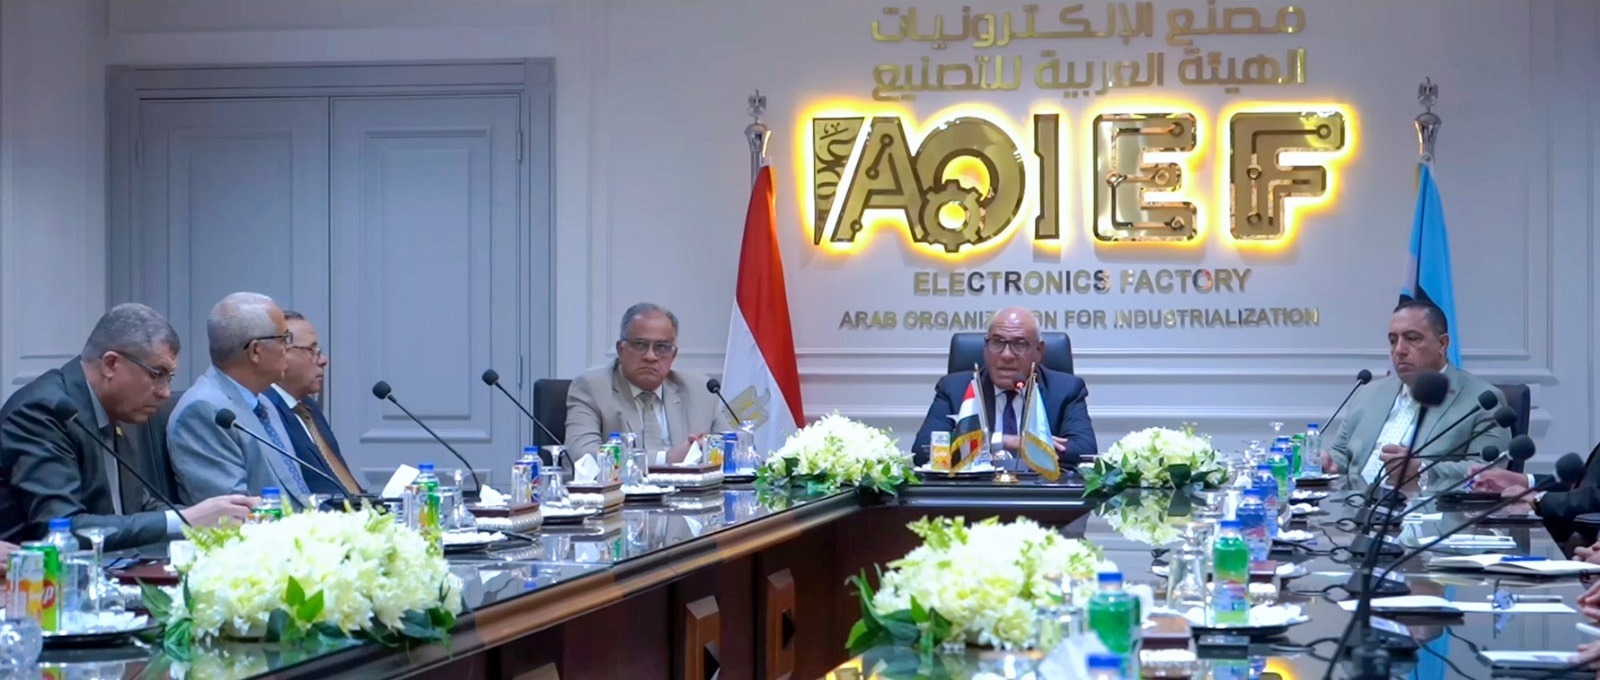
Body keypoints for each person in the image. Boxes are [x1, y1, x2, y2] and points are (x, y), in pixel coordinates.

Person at [0, 303, 255, 550]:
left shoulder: (120, 410)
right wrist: (186, 519)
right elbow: (62, 529)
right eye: (157, 374)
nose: (165, 393)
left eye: (169, 378)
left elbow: (139, 507)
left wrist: (219, 516)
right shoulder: (45, 411)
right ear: (111, 364)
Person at [1319, 300, 1510, 495]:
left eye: (1412, 338)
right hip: (1354, 507)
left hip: (1424, 509)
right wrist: (1329, 462)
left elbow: (1490, 470)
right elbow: (1341, 455)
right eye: (1393, 340)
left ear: (1442, 344)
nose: (1399, 350)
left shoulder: (1482, 400)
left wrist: (1421, 469)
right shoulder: (1369, 393)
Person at [168, 292, 315, 509]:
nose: (287, 347)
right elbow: (234, 514)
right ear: (255, 351)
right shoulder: (204, 412)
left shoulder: (263, 403)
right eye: (284, 338)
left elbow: (295, 493)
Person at [911, 306, 1097, 466]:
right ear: (985, 347)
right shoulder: (954, 389)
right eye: (997, 342)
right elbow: (923, 450)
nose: (1007, 355)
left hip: (1039, 491)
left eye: (1020, 344)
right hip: (973, 491)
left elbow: (1085, 451)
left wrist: (975, 443)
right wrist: (1007, 441)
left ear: (1039, 351)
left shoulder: (1066, 390)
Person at [566, 303, 734, 464]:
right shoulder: (592, 388)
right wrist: (666, 459)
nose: (651, 356)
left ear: (673, 355)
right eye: (640, 345)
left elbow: (731, 449)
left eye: (662, 347)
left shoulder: (700, 389)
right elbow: (584, 455)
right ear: (620, 349)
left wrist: (707, 448)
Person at [262, 311, 362, 496]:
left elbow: (338, 479)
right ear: (283, 353)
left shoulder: (308, 407)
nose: (323, 360)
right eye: (312, 350)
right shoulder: (265, 412)